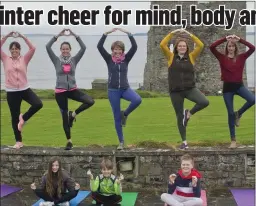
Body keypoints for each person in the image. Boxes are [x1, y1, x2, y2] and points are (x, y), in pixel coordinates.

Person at [160, 29, 209, 150]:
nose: (182, 47)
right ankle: (184, 142)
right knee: (178, 116)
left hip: (189, 89)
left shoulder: (191, 57)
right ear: (176, 47)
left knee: (204, 102)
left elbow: (200, 45)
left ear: (187, 48)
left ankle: (189, 113)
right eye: (180, 46)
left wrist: (190, 35)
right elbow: (162, 44)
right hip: (175, 91)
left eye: (184, 46)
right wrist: (172, 33)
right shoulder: (171, 57)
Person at [46, 28, 95, 150]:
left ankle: (73, 114)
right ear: (60, 50)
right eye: (63, 49)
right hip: (60, 92)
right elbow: (47, 47)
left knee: (90, 101)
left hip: (73, 89)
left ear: (70, 50)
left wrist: (75, 35)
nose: (65, 51)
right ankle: (69, 141)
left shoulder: (74, 60)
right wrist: (58, 35)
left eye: (67, 49)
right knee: (63, 116)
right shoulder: (56, 60)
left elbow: (83, 48)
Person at [97, 28, 142, 150]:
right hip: (113, 91)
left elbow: (135, 47)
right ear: (112, 50)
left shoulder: (126, 59)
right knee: (116, 117)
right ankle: (121, 142)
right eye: (115, 49)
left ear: (122, 50)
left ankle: (125, 113)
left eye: (119, 49)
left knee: (137, 100)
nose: (117, 51)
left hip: (125, 89)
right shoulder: (109, 59)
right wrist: (105, 33)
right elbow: (99, 46)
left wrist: (129, 34)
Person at [210, 34, 255, 149]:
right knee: (230, 113)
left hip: (239, 86)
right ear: (227, 47)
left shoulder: (241, 57)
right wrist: (225, 38)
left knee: (252, 99)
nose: (231, 48)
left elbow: (253, 48)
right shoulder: (222, 57)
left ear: (235, 48)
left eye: (233, 46)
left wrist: (240, 40)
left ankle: (238, 113)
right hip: (227, 89)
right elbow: (212, 47)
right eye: (229, 46)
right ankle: (233, 140)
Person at [0, 31, 43, 149]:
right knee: (14, 117)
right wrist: (7, 36)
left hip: (25, 89)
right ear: (10, 50)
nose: (14, 50)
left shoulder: (24, 59)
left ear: (19, 50)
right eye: (12, 49)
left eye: (16, 49)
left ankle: (23, 118)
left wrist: (23, 37)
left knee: (38, 104)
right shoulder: (5, 59)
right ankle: (18, 141)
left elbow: (33, 48)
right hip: (12, 92)